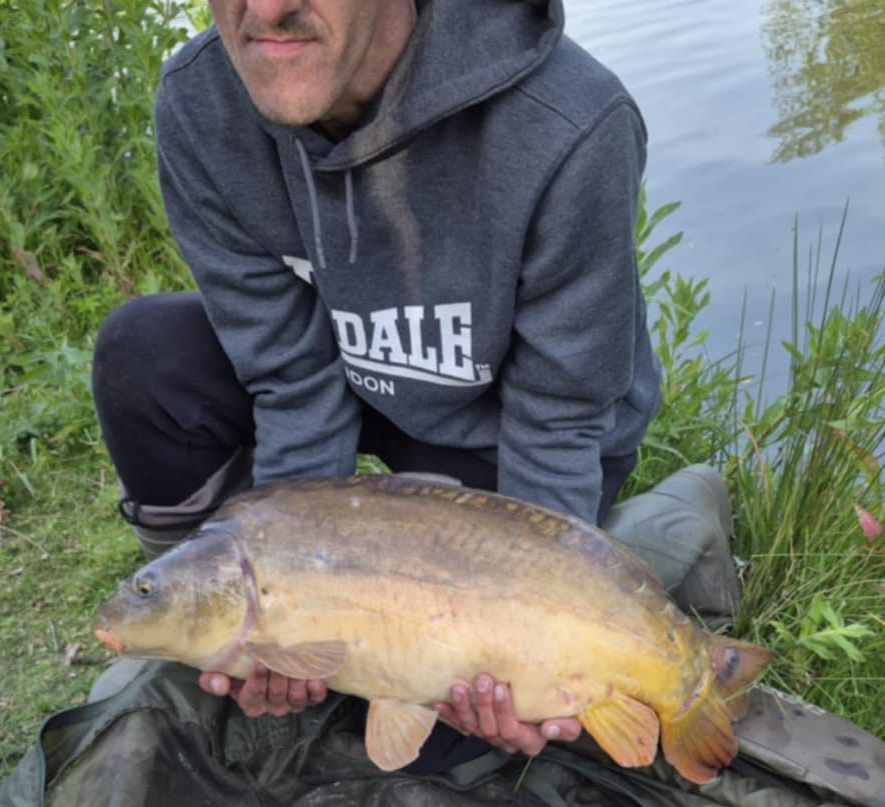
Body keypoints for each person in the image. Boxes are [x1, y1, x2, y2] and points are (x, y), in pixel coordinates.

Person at [91, 0, 661, 765]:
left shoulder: (570, 122)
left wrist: (524, 628)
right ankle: (198, 614)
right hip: (360, 388)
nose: (266, 9)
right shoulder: (202, 103)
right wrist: (280, 602)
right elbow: (292, 378)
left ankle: (614, 587)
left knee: (465, 730)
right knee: (146, 352)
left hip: (509, 437)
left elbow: (556, 422)